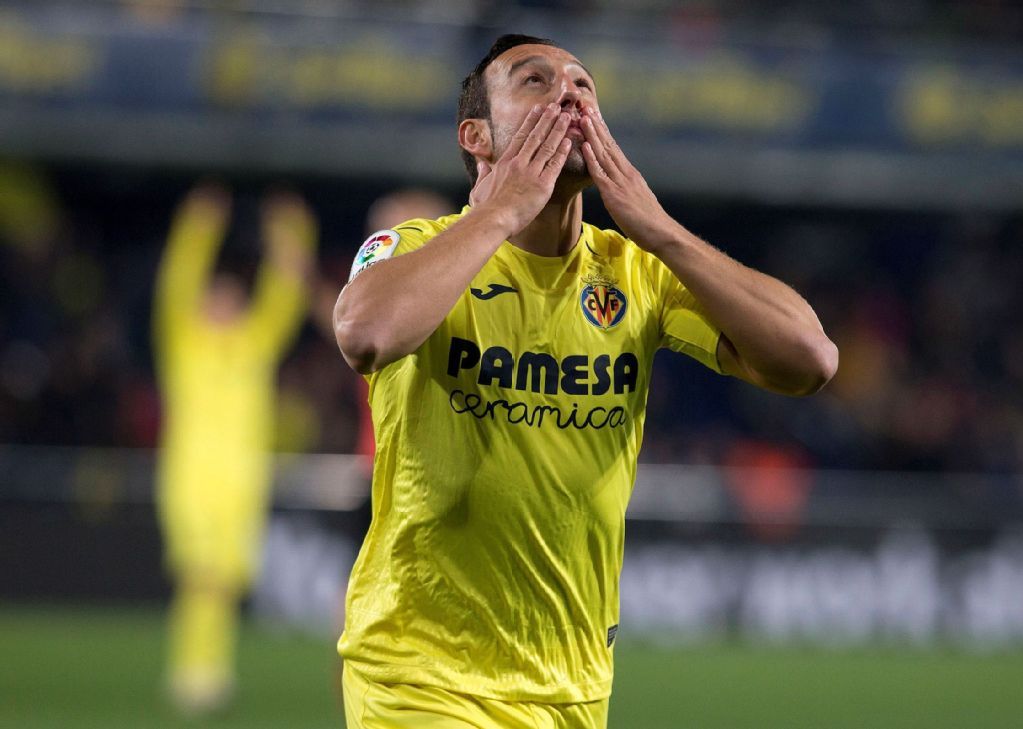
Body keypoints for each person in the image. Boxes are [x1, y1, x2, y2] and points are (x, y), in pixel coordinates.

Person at [332, 34, 838, 729]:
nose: (568, 93)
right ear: (476, 136)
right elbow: (365, 332)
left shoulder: (636, 272)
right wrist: (501, 211)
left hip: (573, 688)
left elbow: (811, 359)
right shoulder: (413, 248)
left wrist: (661, 230)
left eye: (582, 85)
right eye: (534, 81)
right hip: (422, 677)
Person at [154, 182, 316, 714]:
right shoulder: (185, 342)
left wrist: (291, 231)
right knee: (201, 577)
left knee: (221, 584)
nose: (221, 306)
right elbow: (175, 284)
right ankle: (193, 674)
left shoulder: (253, 344)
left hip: (243, 481)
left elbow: (284, 295)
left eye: (230, 300)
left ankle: (209, 673)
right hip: (190, 478)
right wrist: (198, 228)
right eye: (213, 298)